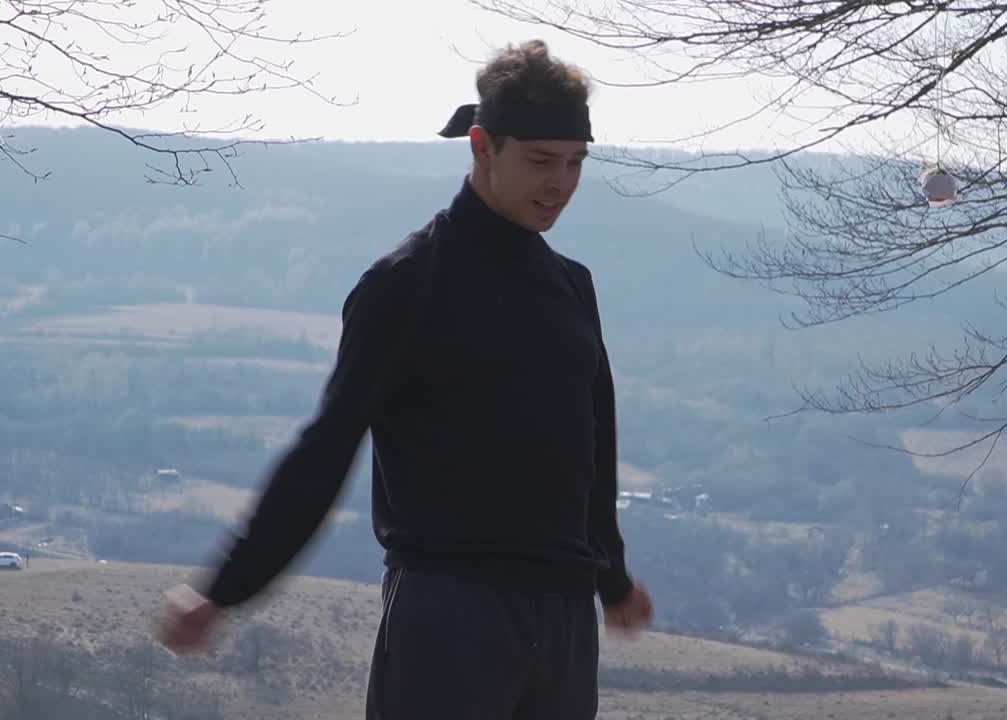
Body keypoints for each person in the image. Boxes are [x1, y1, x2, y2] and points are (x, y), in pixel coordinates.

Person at [155, 39, 653, 719]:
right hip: (450, 613)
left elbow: (592, 448)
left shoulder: (572, 287)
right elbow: (327, 447)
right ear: (482, 147)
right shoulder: (407, 284)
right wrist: (228, 587)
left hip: (564, 617)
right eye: (541, 162)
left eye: (574, 164)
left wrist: (613, 579)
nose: (560, 184)